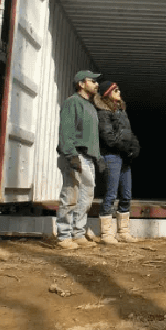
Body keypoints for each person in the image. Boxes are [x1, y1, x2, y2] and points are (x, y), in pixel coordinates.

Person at [55, 70, 102, 250]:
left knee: (86, 197)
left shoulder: (90, 106)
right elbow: (66, 131)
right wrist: (71, 155)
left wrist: (98, 157)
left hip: (88, 158)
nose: (97, 84)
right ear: (81, 84)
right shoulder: (72, 102)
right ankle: (63, 236)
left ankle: (78, 233)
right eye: (93, 81)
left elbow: (91, 137)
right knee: (70, 195)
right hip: (75, 155)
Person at [94, 80, 141, 244]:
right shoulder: (103, 113)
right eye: (116, 90)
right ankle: (106, 234)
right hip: (112, 156)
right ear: (108, 94)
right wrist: (124, 148)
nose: (119, 92)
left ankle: (123, 232)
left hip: (124, 157)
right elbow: (108, 137)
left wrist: (134, 147)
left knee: (126, 195)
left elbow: (129, 134)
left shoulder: (122, 111)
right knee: (111, 194)